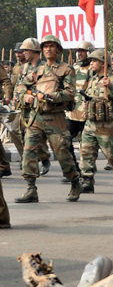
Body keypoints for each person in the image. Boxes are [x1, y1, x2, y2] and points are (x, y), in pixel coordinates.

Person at [14, 35, 82, 203]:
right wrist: (26, 97)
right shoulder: (38, 70)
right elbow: (22, 85)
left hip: (55, 117)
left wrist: (51, 96)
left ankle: (75, 181)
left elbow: (70, 93)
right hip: (36, 116)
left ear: (58, 50)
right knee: (29, 152)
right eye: (45, 47)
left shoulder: (67, 69)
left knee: (62, 153)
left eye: (52, 46)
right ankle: (31, 188)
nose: (48, 49)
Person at [79, 50, 113, 194]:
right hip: (91, 122)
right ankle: (87, 180)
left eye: (94, 61)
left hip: (106, 125)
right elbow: (90, 96)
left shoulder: (112, 80)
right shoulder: (93, 80)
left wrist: (111, 87)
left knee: (112, 156)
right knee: (86, 152)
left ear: (103, 63)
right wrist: (86, 104)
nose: (91, 63)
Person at [15, 38, 52, 176]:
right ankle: (29, 162)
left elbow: (46, 88)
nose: (23, 53)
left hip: (38, 108)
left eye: (26, 50)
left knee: (39, 138)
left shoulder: (44, 67)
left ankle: (44, 158)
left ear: (34, 51)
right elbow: (20, 85)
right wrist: (21, 96)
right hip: (25, 107)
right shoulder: (23, 68)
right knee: (24, 134)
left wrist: (34, 96)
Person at [66, 41, 94, 176]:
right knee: (65, 140)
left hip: (86, 111)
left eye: (83, 51)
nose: (80, 53)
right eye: (78, 51)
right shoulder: (74, 67)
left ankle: (85, 170)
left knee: (86, 144)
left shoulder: (93, 68)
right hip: (72, 111)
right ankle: (73, 168)